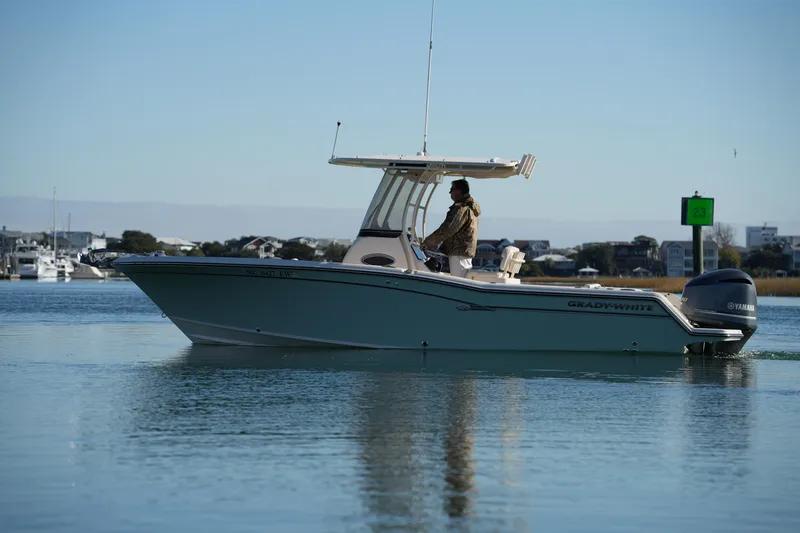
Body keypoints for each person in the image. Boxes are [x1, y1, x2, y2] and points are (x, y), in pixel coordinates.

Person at [421, 178, 481, 277]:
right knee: (461, 280)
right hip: (462, 252)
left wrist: (427, 242)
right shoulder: (469, 207)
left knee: (459, 282)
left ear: (459, 191)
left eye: (452, 190)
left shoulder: (462, 209)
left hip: (458, 252)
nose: (450, 193)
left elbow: (447, 229)